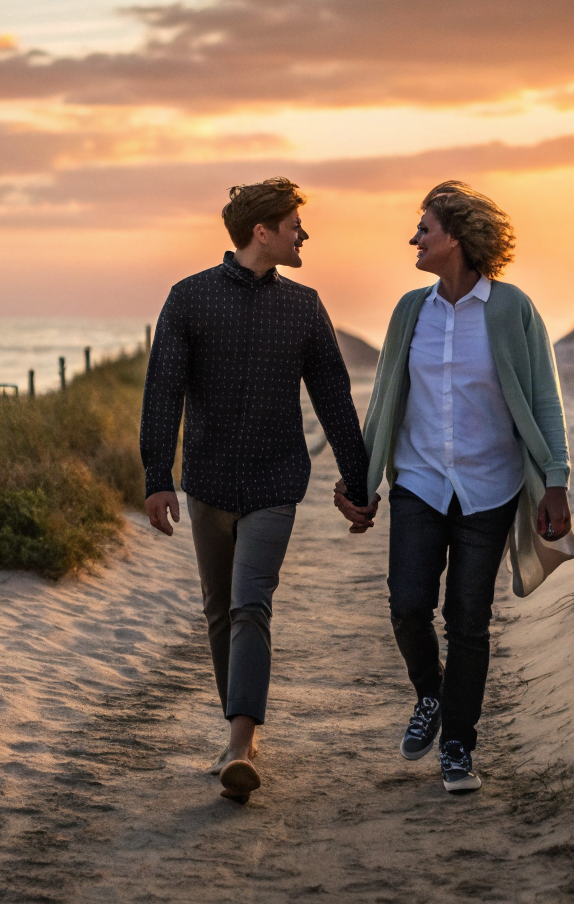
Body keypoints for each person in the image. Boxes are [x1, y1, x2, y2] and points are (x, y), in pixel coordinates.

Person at [141, 177, 379, 803]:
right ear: (263, 230)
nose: (305, 234)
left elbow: (334, 399)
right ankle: (235, 734)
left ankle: (241, 745)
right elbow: (162, 390)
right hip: (208, 482)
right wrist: (155, 478)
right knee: (219, 610)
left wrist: (358, 481)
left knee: (251, 603)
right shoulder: (188, 300)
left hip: (277, 481)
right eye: (296, 223)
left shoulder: (304, 307)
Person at [338, 179, 571, 794]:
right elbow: (386, 398)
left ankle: (459, 746)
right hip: (419, 481)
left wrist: (556, 482)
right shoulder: (410, 310)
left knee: (469, 617)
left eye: (425, 228)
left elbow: (544, 399)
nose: (413, 237)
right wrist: (360, 480)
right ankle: (430, 695)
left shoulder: (513, 309)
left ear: (460, 239)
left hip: (488, 487)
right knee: (408, 604)